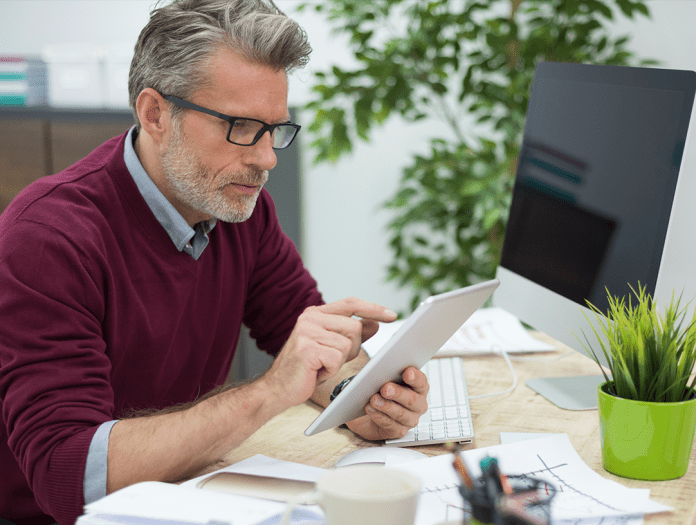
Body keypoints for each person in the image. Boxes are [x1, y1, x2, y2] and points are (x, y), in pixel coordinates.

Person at [0, 1, 429, 524]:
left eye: (275, 129)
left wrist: (362, 401)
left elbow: (311, 353)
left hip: (189, 498)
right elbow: (71, 476)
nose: (268, 157)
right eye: (243, 127)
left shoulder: (239, 209)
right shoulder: (47, 239)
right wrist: (269, 392)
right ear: (155, 114)